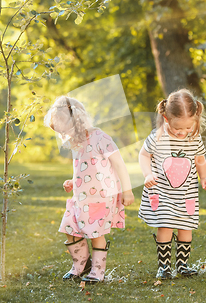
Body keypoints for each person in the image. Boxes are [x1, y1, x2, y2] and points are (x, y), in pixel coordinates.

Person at [44, 96, 134, 284]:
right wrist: (73, 181)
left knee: (96, 233)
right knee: (70, 227)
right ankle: (81, 265)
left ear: (75, 122)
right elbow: (85, 169)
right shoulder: (76, 142)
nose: (61, 136)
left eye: (62, 131)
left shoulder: (100, 138)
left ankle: (97, 271)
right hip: (81, 196)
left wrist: (127, 190)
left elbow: (120, 165)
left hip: (101, 197)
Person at [138, 89, 206, 279]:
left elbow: (200, 159)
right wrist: (148, 174)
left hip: (186, 194)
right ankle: (164, 266)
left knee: (185, 226)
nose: (182, 132)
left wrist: (204, 177)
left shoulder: (194, 138)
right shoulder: (158, 137)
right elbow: (144, 155)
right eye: (178, 128)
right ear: (166, 118)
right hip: (162, 192)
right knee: (165, 225)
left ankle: (182, 264)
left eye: (188, 128)